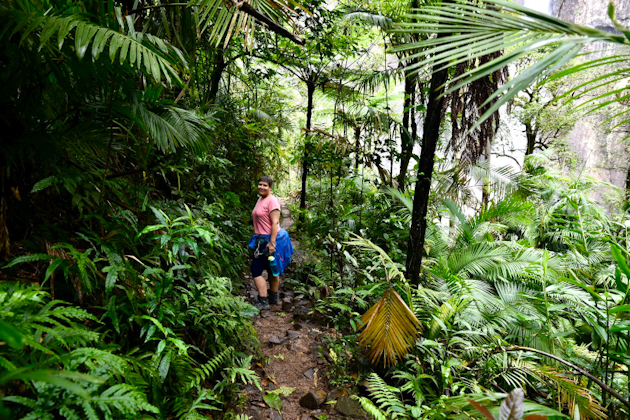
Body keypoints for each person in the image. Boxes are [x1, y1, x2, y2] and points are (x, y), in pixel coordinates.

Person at [248, 175, 294, 311]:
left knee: (257, 270)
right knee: (270, 268)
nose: (261, 187)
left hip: (269, 240)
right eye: (260, 184)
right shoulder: (260, 199)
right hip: (261, 239)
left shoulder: (272, 201)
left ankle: (264, 301)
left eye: (265, 185)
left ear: (270, 187)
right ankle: (273, 298)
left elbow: (275, 223)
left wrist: (272, 243)